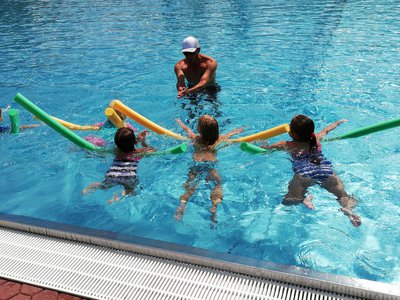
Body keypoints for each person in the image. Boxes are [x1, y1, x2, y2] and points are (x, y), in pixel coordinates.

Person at [264, 114, 361, 227]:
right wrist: (338, 122)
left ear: (292, 134)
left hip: (304, 174)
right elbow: (327, 129)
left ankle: (305, 198)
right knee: (343, 195)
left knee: (290, 200)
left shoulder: (286, 144)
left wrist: (264, 143)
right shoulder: (317, 138)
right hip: (325, 171)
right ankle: (348, 209)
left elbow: (264, 150)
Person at [175, 115, 243, 222]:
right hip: (211, 166)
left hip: (196, 165)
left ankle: (182, 206)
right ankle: (214, 207)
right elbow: (230, 135)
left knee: (189, 187)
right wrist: (237, 130)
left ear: (199, 129)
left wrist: (180, 123)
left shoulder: (195, 138)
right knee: (217, 185)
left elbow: (187, 130)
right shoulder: (218, 139)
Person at [82, 127, 155, 203]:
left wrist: (136, 139)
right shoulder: (138, 153)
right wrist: (143, 142)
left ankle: (90, 187)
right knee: (130, 190)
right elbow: (152, 150)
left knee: (103, 185)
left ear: (116, 144)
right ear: (134, 142)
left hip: (113, 173)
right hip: (128, 175)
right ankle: (118, 197)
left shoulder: (116, 150)